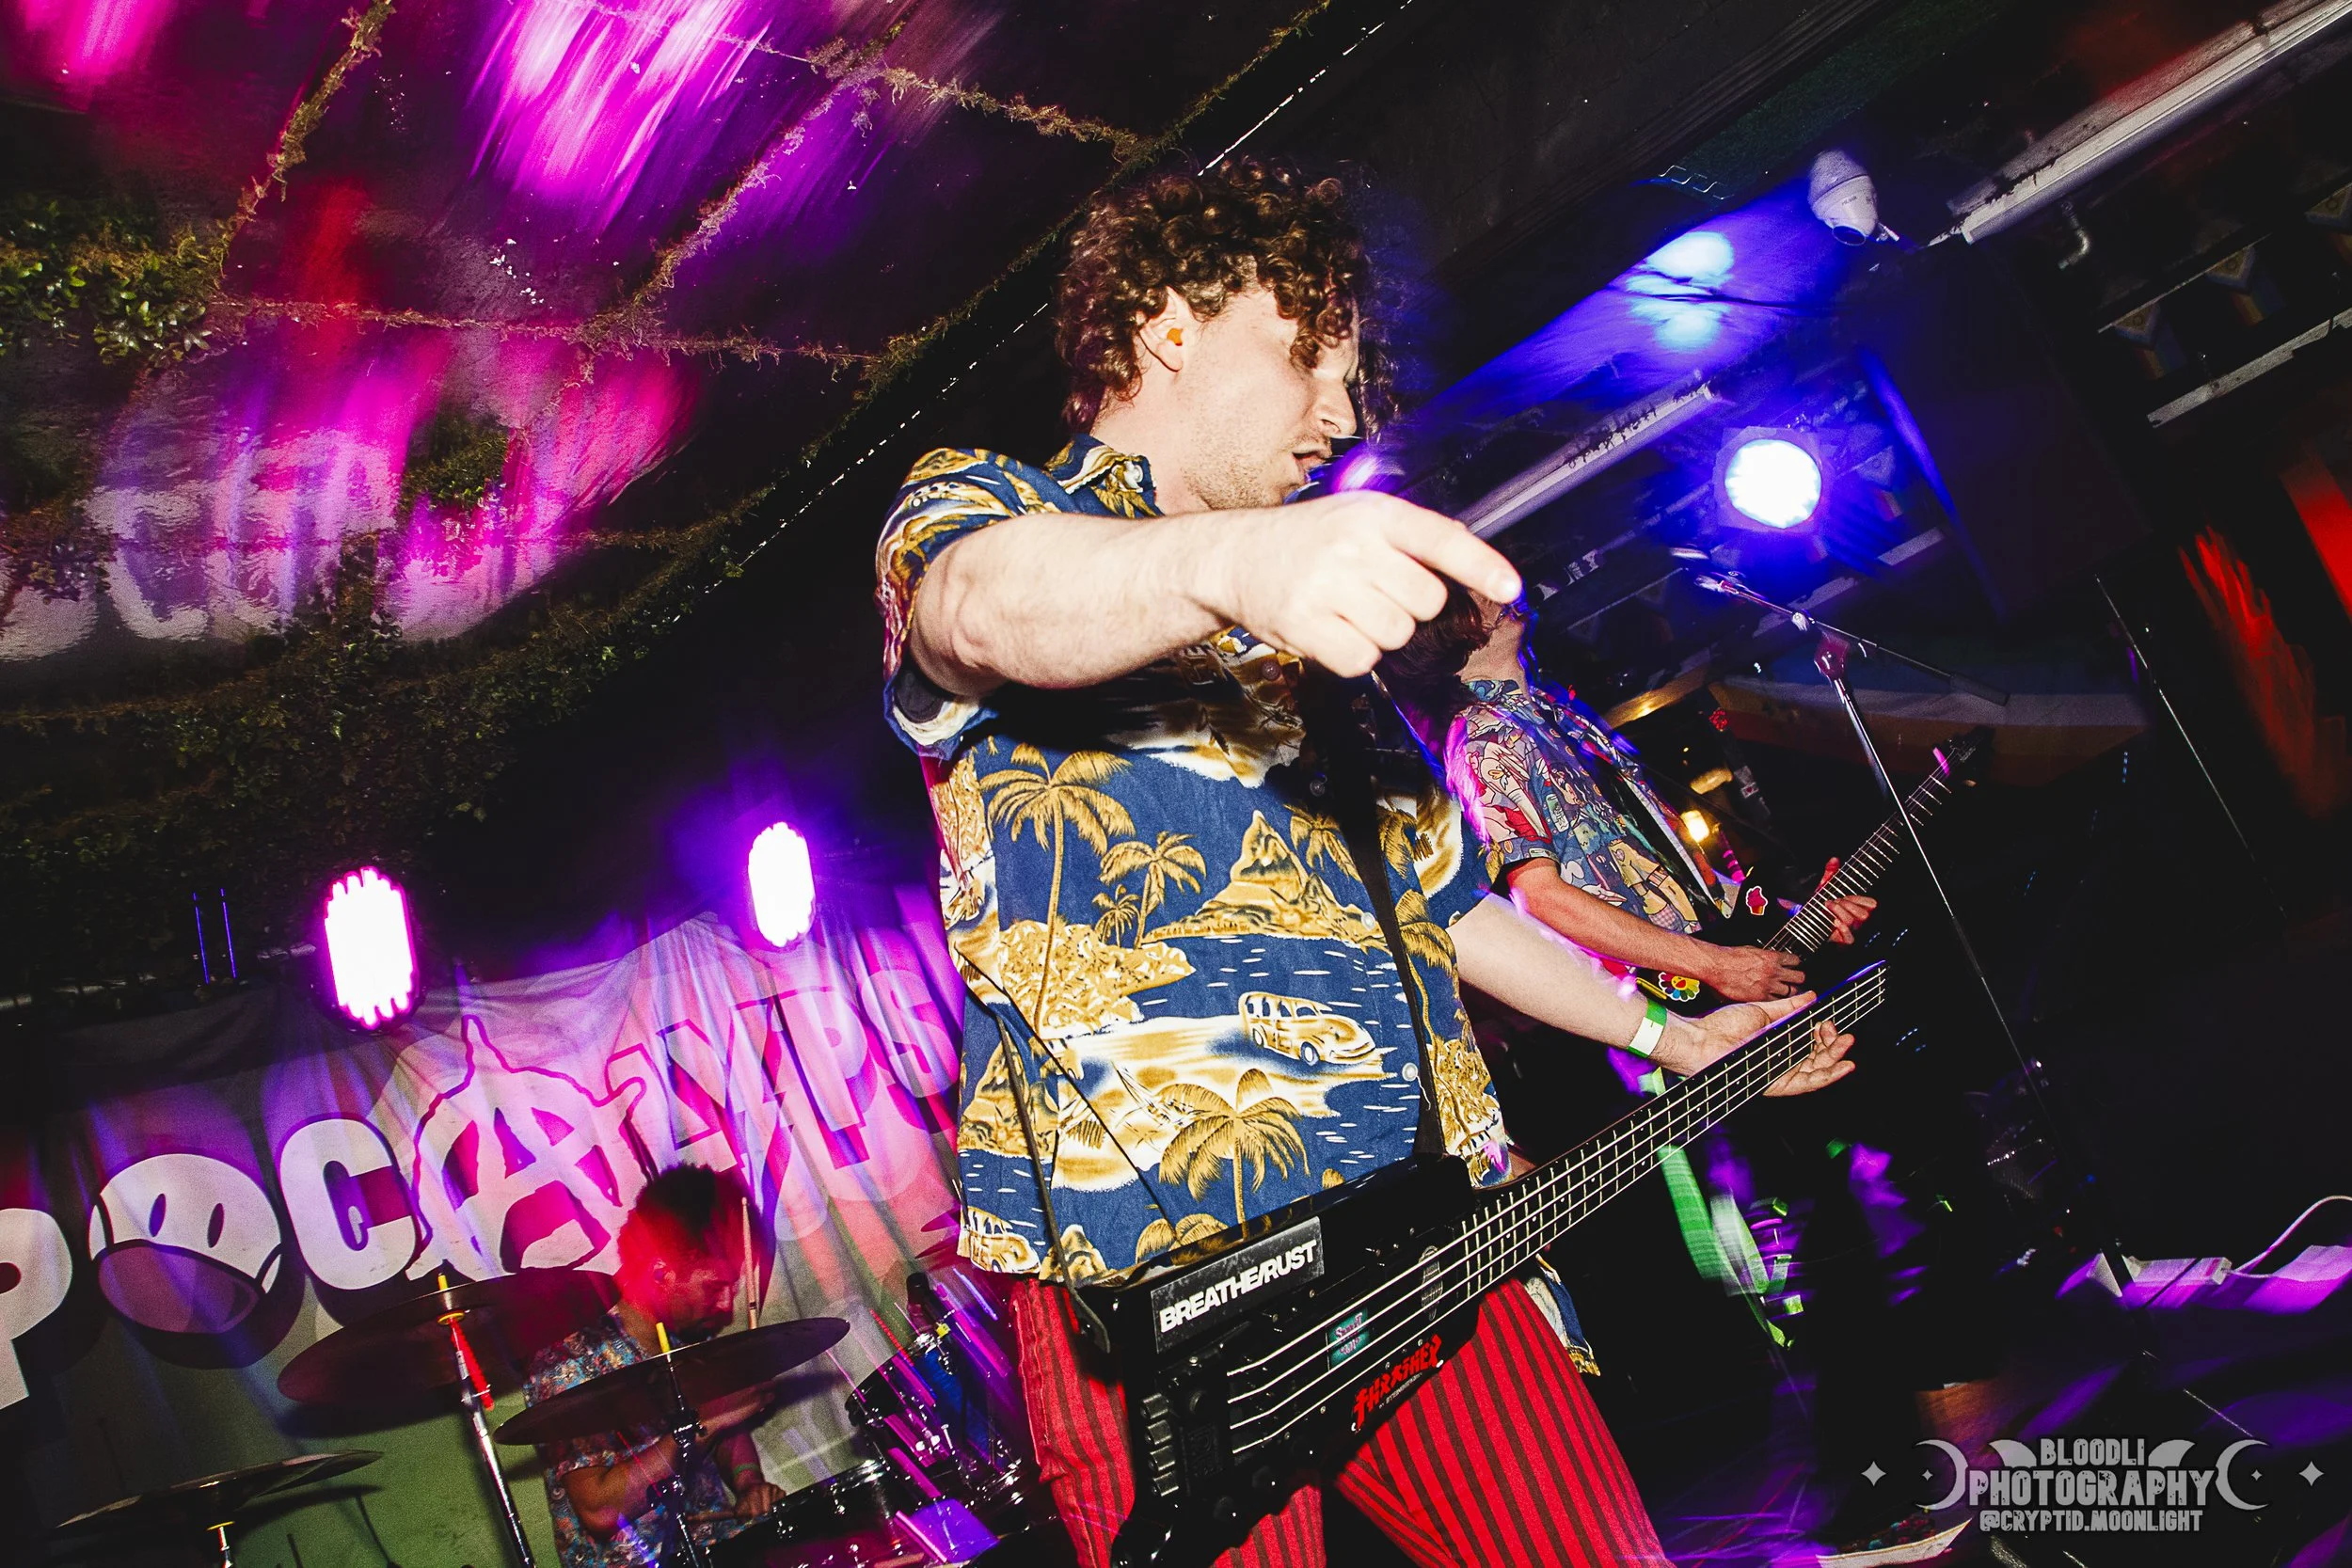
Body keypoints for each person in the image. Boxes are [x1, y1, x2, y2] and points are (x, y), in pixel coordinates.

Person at [873, 156, 1856, 1568]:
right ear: (1168, 322)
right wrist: (1231, 563)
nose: (1339, 415)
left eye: (1351, 380)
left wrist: (1671, 1031)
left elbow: (1449, 898)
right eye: (1307, 360)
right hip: (1151, 1278)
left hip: (1425, 1236)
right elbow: (973, 611)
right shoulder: (989, 506)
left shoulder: (1316, 654)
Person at [1384, 586, 1876, 1004]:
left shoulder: (1561, 720)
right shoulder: (1483, 740)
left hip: (1713, 967)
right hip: (1673, 1003)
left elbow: (1690, 885)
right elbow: (1541, 896)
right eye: (1475, 596)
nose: (1499, 591)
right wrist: (1713, 965)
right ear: (1445, 638)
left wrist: (1800, 915)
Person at [525, 1165, 787, 1568]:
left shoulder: (687, 1336)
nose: (725, 1306)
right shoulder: (569, 1362)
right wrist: (706, 1421)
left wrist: (748, 1482)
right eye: (714, 1287)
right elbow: (600, 1511)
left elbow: (727, 1430)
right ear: (660, 1272)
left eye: (731, 1288)